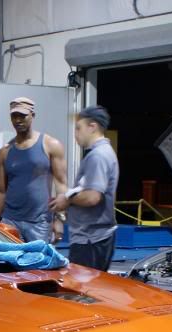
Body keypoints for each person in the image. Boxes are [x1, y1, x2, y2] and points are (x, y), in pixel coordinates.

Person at [49, 105, 119, 272]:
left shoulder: (98, 156)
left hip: (91, 240)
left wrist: (66, 200)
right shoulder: (103, 153)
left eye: (78, 128)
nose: (75, 134)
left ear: (92, 127)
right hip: (94, 238)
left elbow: (92, 197)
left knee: (83, 286)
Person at [0, 96, 67, 243]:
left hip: (40, 222)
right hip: (10, 220)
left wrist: (60, 219)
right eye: (14, 116)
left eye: (22, 116)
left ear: (33, 115)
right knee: (9, 258)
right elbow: (1, 191)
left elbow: (61, 184)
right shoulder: (5, 152)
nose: (18, 120)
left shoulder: (51, 145)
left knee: (38, 258)